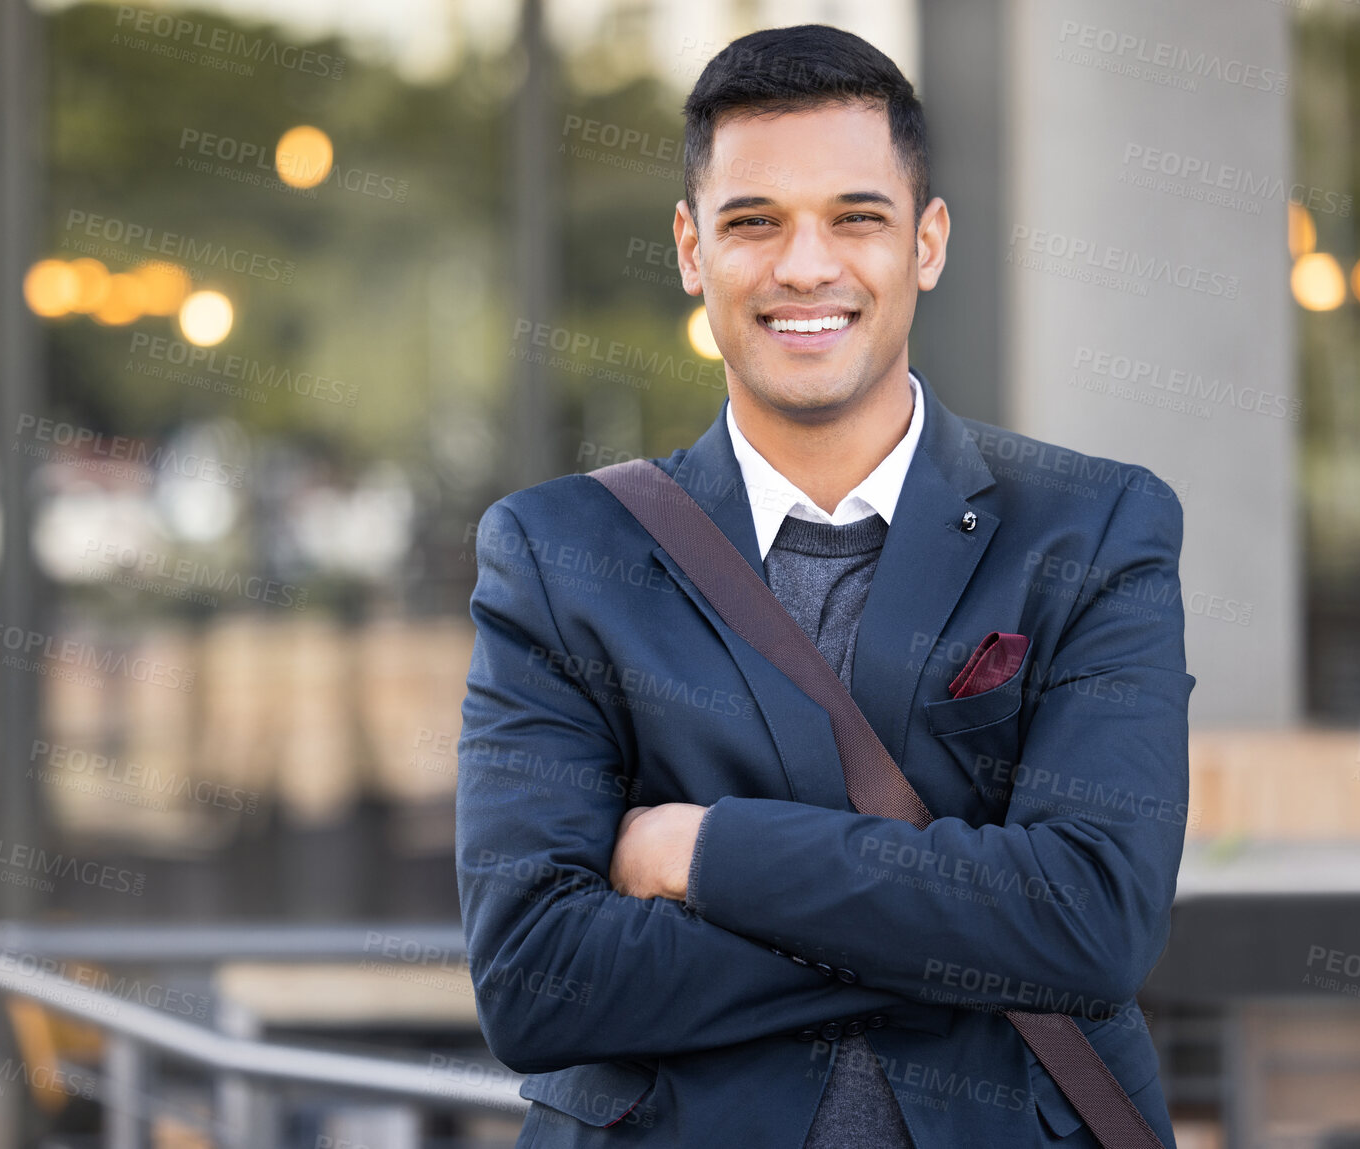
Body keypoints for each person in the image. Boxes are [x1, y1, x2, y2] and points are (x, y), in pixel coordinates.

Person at [456, 23, 1191, 1148]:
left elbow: (1092, 920)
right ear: (693, 250)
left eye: (857, 217)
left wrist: (702, 854)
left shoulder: (1092, 528)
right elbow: (536, 978)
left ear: (928, 243)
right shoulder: (558, 555)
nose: (806, 267)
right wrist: (968, 916)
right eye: (754, 223)